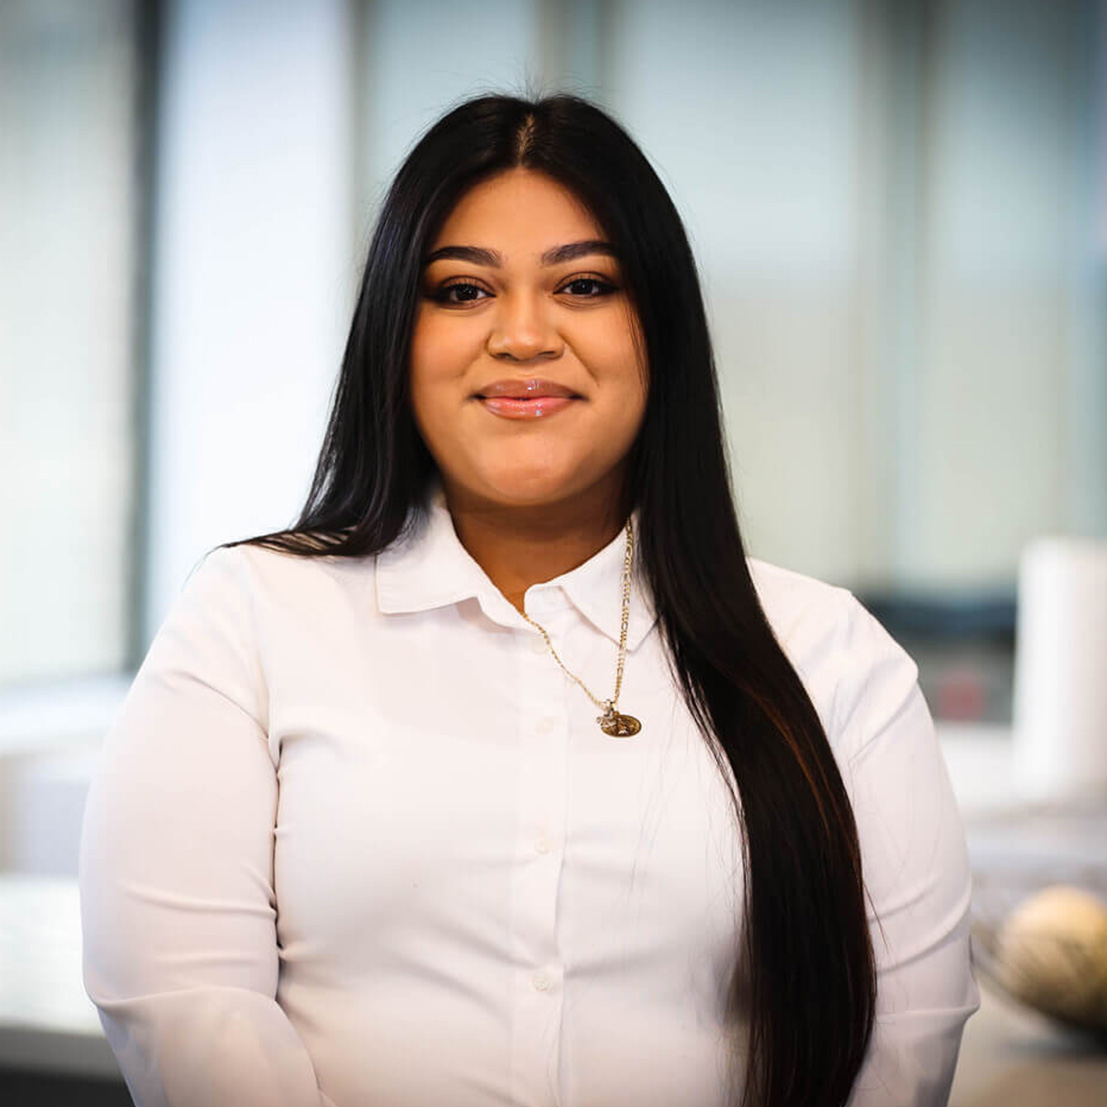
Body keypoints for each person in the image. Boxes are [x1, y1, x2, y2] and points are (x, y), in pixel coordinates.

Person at [79, 92, 979, 1107]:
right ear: (394, 335)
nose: (521, 336)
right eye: (462, 291)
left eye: (585, 285)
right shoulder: (249, 619)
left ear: (661, 332)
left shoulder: (828, 656)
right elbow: (186, 1008)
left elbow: (904, 1049)